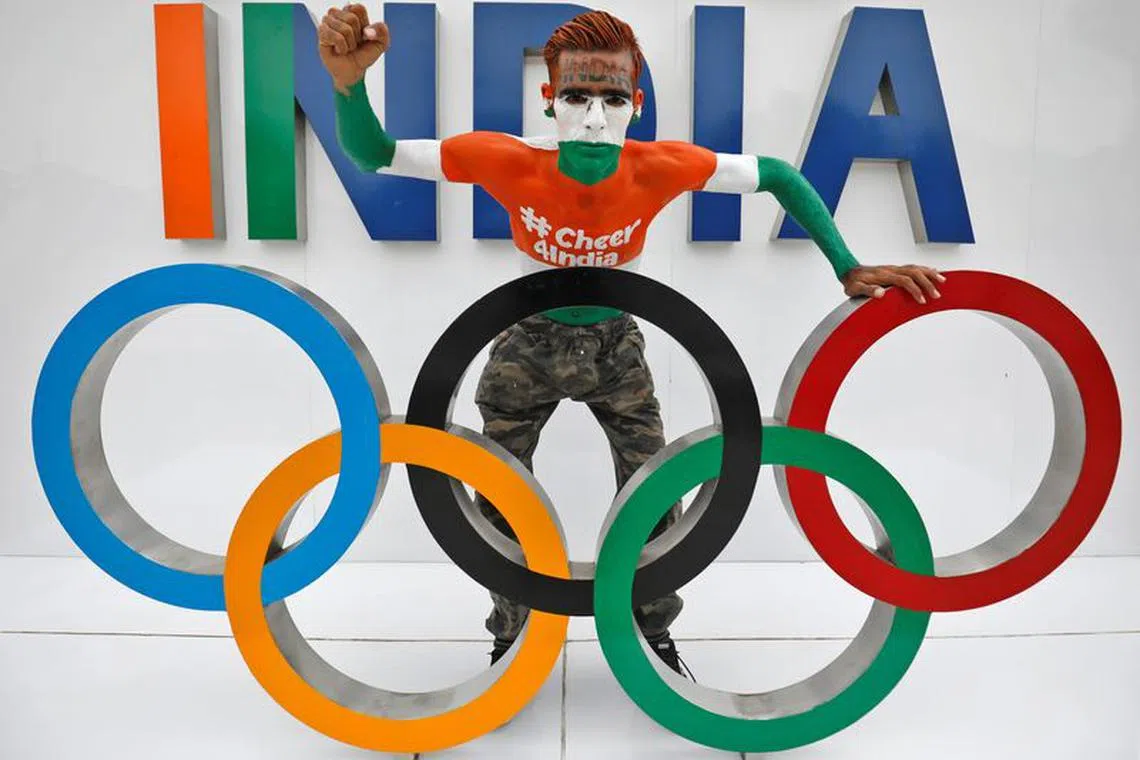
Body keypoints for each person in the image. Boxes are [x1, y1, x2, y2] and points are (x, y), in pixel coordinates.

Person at [318, 4, 944, 676]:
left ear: (637, 105)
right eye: (577, 97)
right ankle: (510, 636)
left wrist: (847, 266)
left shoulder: (660, 166)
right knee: (498, 497)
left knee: (653, 493)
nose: (594, 118)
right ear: (549, 98)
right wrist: (347, 86)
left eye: (613, 99)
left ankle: (652, 634)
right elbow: (374, 153)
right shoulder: (507, 159)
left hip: (617, 348)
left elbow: (780, 177)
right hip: (526, 344)